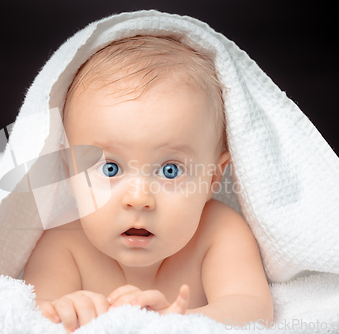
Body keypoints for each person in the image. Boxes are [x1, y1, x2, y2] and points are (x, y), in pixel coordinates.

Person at [23, 35, 273, 333]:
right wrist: (68, 310)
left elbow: (252, 309)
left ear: (212, 178)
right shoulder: (63, 245)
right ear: (71, 173)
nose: (139, 199)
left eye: (169, 170)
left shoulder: (218, 233)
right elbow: (33, 312)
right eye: (111, 168)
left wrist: (175, 321)